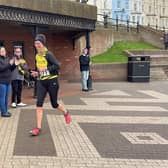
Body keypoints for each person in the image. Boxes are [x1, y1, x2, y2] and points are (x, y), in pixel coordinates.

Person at [30, 34, 72, 136]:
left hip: (52, 81)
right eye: (35, 43)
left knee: (54, 104)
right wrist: (37, 73)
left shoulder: (48, 54)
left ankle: (65, 112)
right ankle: (38, 128)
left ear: (42, 43)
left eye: (38, 43)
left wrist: (46, 69)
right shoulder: (37, 55)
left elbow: (57, 65)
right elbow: (40, 69)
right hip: (41, 82)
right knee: (39, 103)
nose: (37, 45)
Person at [0, 47, 18, 117]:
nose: (3, 51)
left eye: (4, 50)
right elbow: (1, 69)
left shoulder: (7, 58)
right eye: (1, 51)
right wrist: (9, 64)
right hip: (1, 81)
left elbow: (10, 69)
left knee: (6, 97)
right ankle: (3, 112)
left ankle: (6, 111)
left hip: (8, 81)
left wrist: (14, 65)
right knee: (2, 97)